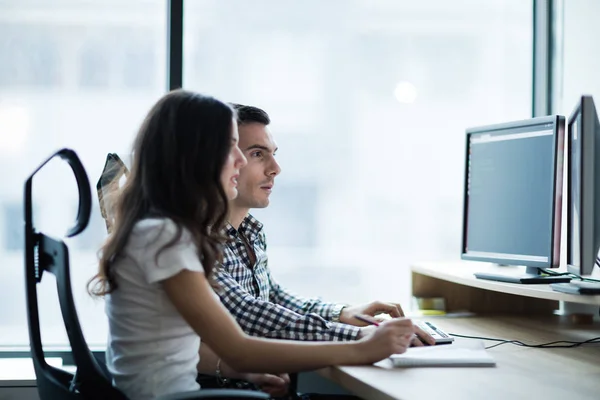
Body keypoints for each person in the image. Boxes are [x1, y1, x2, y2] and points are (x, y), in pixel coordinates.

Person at [88, 90, 417, 400]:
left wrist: (238, 367)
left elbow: (172, 349)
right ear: (195, 155)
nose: (240, 161)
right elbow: (239, 347)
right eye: (231, 147)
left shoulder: (158, 229)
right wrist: (362, 347)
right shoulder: (164, 237)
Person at [212, 103, 435, 346]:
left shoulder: (250, 231)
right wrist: (358, 335)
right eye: (257, 154)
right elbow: (248, 313)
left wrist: (342, 313)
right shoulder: (200, 239)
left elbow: (272, 297)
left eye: (273, 154)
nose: (275, 169)